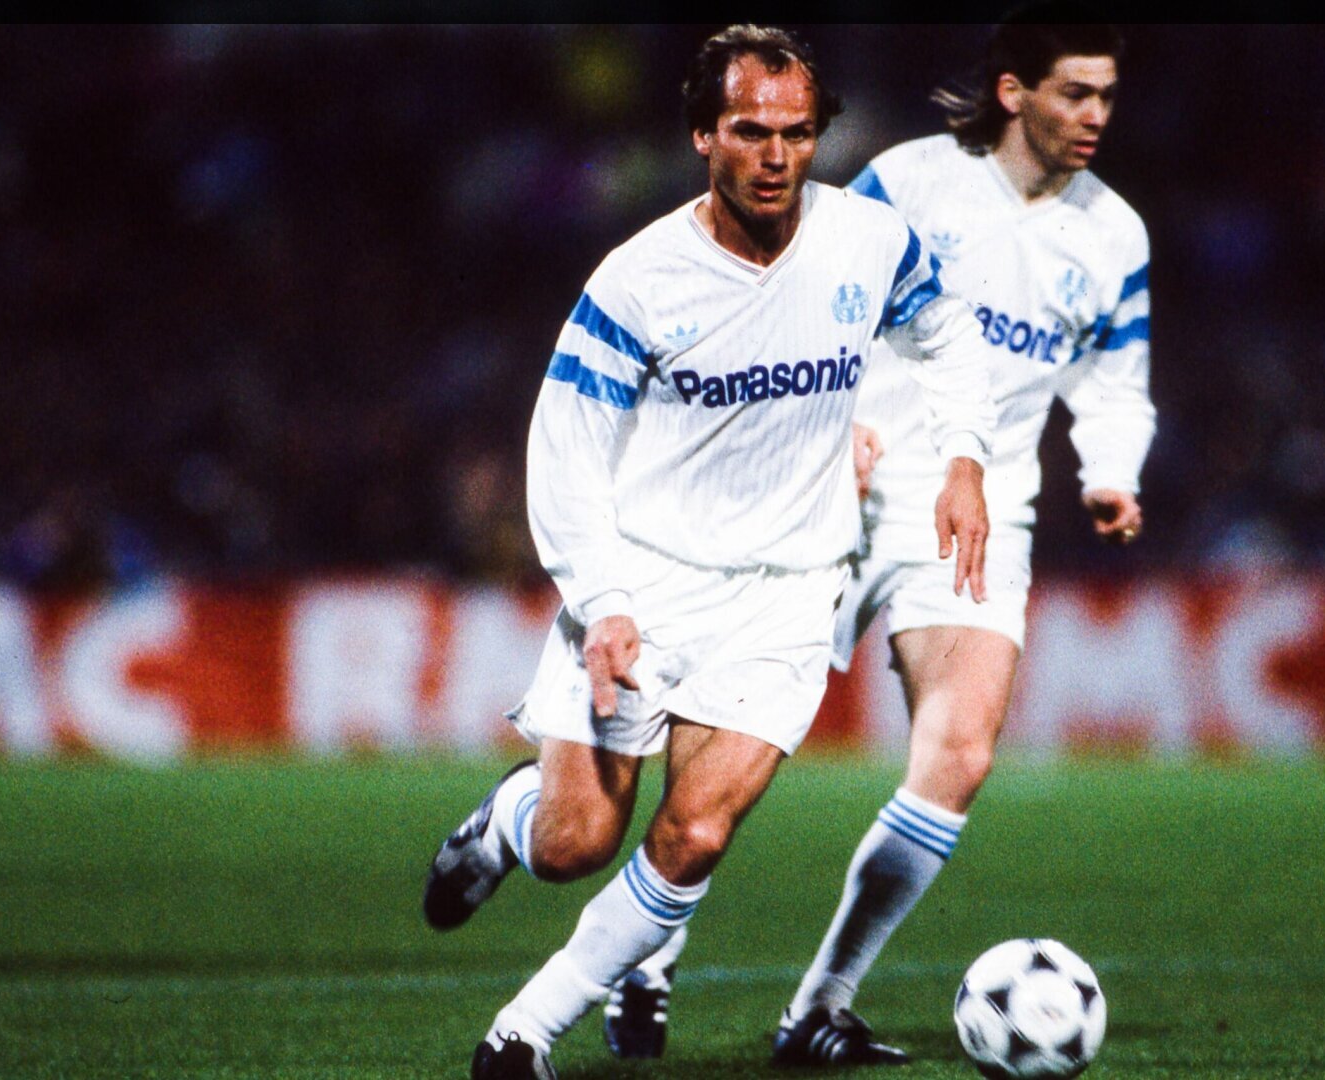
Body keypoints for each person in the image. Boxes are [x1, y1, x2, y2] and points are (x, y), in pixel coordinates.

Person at [420, 25, 1001, 1080]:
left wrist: (963, 458)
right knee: (574, 844)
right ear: (702, 135)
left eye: (796, 133)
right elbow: (564, 450)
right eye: (748, 131)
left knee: (693, 835)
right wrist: (604, 600)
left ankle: (522, 1033)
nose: (776, 156)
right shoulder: (639, 281)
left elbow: (948, 336)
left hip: (788, 594)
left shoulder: (868, 241)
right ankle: (509, 821)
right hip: (646, 583)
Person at [605, 9, 1157, 1068]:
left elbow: (1115, 379)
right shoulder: (911, 182)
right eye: (1076, 92)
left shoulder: (1114, 234)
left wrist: (1111, 473)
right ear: (1014, 92)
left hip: (978, 508)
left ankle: (820, 1006)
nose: (1097, 114)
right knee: (726, 737)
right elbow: (796, 292)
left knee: (961, 754)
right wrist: (836, 419)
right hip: (837, 484)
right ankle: (648, 952)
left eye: (1107, 95)